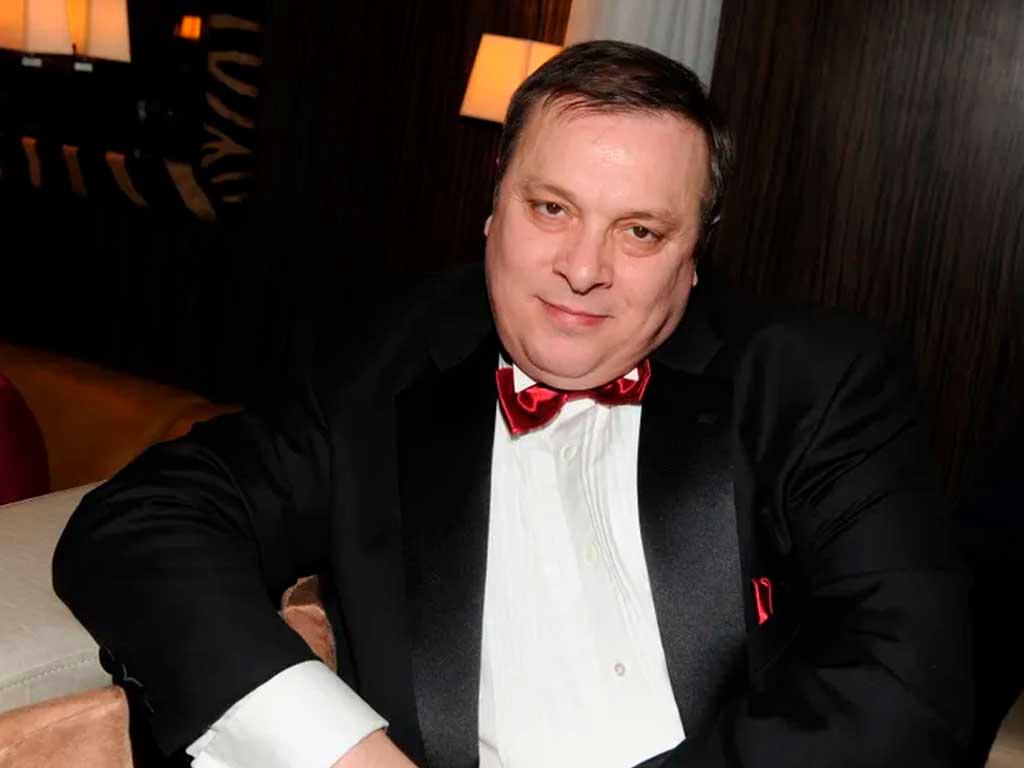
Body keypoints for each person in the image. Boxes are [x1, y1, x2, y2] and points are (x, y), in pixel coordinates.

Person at [53, 41, 971, 767]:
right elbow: (143, 524)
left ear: (695, 258)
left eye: (640, 231)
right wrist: (337, 750)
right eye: (552, 209)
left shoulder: (817, 382)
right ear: (494, 203)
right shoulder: (382, 366)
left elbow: (909, 681)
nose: (584, 269)